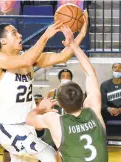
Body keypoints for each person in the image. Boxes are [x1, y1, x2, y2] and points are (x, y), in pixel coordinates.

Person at [0, 10, 88, 161]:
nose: (20, 35)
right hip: (8, 127)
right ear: (3, 41)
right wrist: (46, 35)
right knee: (51, 156)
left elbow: (62, 56)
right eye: (14, 33)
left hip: (27, 124)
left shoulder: (29, 58)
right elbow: (27, 60)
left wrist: (81, 33)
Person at [26, 25, 108, 162]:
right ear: (83, 97)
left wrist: (41, 108)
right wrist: (73, 45)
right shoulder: (93, 111)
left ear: (60, 105)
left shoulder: (54, 119)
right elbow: (90, 73)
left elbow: (29, 119)